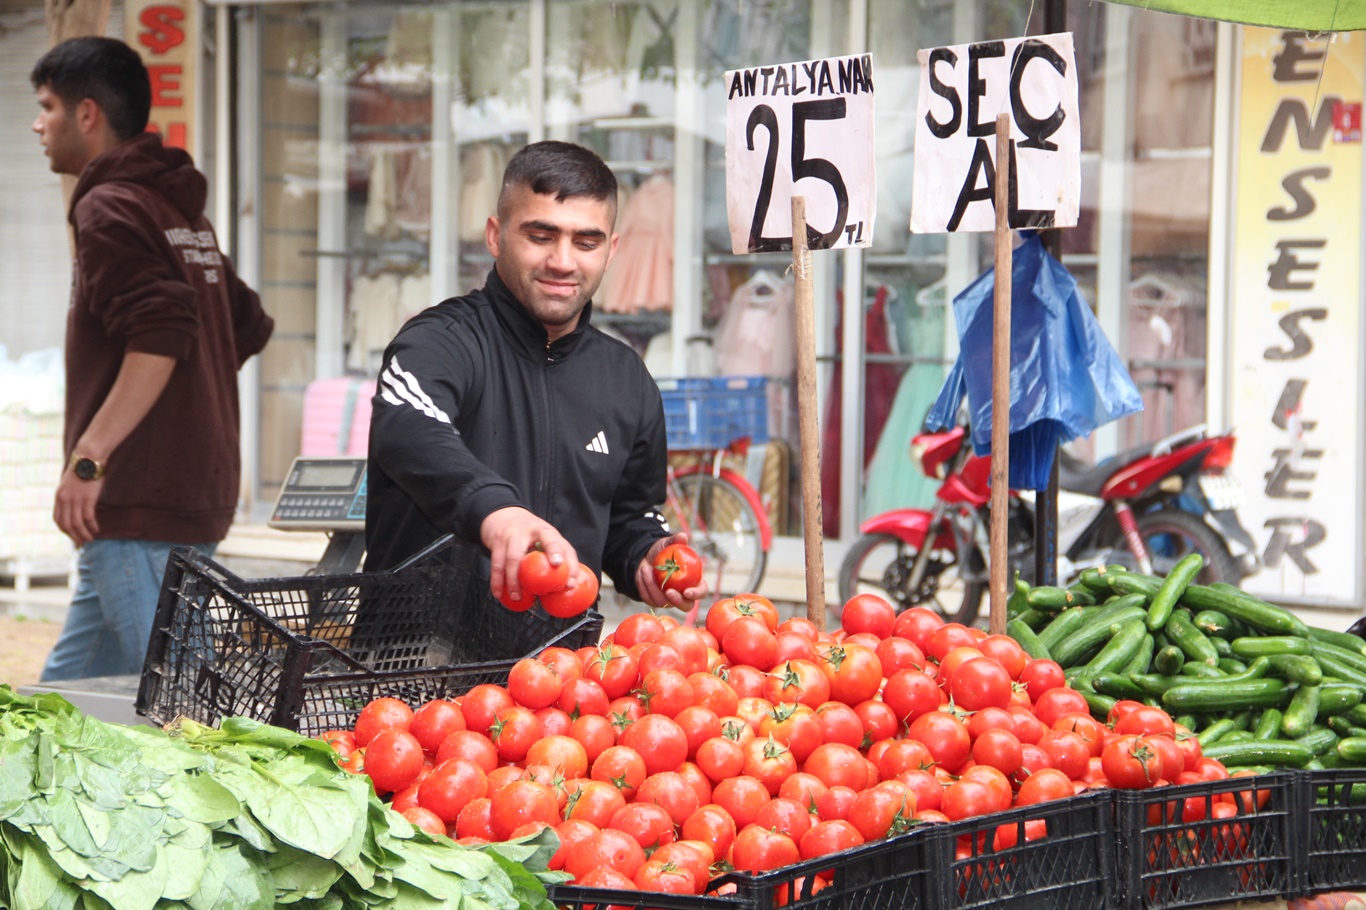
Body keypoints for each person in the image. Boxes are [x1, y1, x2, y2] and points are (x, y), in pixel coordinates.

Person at [366, 140, 703, 611]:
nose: (563, 261)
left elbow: (627, 514)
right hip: (415, 650)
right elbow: (410, 433)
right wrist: (498, 512)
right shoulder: (437, 342)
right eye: (541, 236)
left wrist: (643, 556)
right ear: (495, 235)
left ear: (611, 250)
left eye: (586, 242)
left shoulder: (626, 377)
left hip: (563, 657)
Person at [31, 37, 274, 681]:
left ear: (87, 114)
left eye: (47, 107)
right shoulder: (177, 211)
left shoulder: (109, 205)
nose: (37, 124)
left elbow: (162, 332)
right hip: (186, 491)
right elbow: (243, 324)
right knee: (66, 696)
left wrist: (88, 460)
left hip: (139, 502)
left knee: (181, 706)